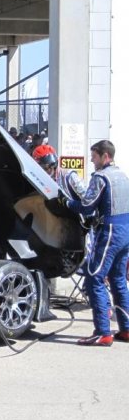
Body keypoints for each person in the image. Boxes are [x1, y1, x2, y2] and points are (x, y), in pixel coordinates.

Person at [58, 140, 129, 346]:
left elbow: (87, 206)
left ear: (105, 156)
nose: (91, 160)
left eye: (94, 156)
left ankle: (103, 332)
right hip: (125, 233)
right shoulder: (123, 175)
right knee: (117, 279)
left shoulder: (101, 177)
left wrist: (66, 202)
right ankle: (125, 329)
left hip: (110, 233)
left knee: (94, 277)